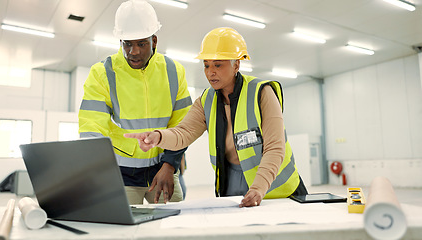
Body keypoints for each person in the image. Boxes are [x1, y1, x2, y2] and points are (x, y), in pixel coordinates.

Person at [125, 27, 307, 207]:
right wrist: (158, 137)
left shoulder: (262, 92)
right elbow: (184, 133)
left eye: (218, 65)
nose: (210, 72)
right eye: (206, 65)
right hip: (232, 186)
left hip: (278, 192)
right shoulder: (206, 100)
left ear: (236, 64)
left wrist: (259, 188)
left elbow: (275, 148)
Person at [78, 0, 192, 205]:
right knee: (124, 232)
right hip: (122, 174)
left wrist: (170, 165)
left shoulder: (174, 71)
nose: (134, 52)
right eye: (127, 44)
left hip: (163, 168)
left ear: (154, 40)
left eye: (141, 43)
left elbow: (183, 125)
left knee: (173, 229)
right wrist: (93, 169)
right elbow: (92, 124)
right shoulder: (103, 72)